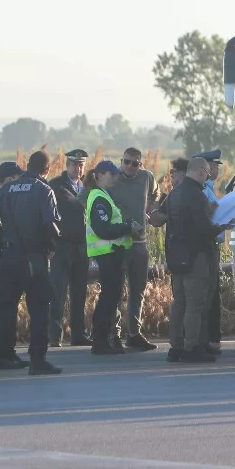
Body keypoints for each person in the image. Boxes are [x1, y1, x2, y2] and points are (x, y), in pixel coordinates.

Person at [0, 151, 62, 377]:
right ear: (46, 170)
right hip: (34, 258)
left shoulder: (7, 189)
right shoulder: (44, 190)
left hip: (9, 257)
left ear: (27, 166)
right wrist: (52, 249)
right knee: (40, 308)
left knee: (3, 308)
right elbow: (52, 226)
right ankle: (38, 359)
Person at [166, 157, 232, 363]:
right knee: (195, 304)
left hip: (177, 255)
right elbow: (203, 228)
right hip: (196, 257)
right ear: (202, 172)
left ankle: (175, 347)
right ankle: (191, 347)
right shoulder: (198, 195)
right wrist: (223, 226)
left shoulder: (174, 194)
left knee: (179, 303)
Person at [85, 160, 145, 355]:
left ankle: (102, 340)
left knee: (111, 298)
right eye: (112, 173)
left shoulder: (104, 196)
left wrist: (127, 226)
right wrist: (128, 228)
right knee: (108, 299)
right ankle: (100, 341)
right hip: (107, 253)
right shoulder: (99, 198)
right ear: (100, 175)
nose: (116, 177)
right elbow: (103, 229)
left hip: (112, 253)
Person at [106, 147, 159, 351]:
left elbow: (157, 192)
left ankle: (134, 333)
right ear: (121, 161)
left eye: (134, 163)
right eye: (126, 162)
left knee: (138, 290)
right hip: (118, 243)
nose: (129, 166)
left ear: (141, 164)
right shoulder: (113, 179)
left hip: (139, 243)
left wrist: (149, 210)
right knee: (116, 291)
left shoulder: (146, 177)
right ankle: (114, 334)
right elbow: (92, 197)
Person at [48, 148, 91, 348]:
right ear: (67, 165)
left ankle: (78, 333)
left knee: (79, 292)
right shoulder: (56, 186)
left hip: (83, 246)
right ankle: (55, 335)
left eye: (81, 164)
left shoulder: (88, 187)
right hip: (62, 245)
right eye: (74, 164)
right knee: (58, 293)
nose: (78, 168)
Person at [193, 149, 226, 354]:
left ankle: (210, 339)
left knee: (212, 296)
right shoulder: (203, 189)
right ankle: (205, 340)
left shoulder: (209, 188)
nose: (215, 169)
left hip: (212, 245)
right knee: (207, 297)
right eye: (213, 165)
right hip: (206, 247)